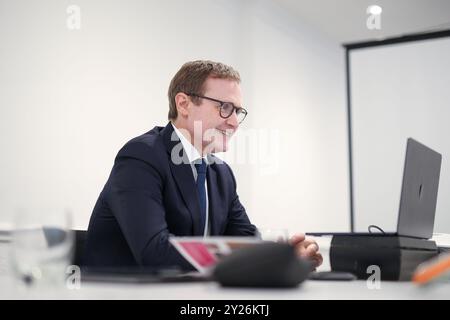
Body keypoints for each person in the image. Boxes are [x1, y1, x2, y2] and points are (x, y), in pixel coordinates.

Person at [83, 60, 323, 270]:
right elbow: (154, 252)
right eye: (225, 107)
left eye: (237, 111)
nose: (234, 122)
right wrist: (249, 258)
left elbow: (246, 240)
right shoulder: (141, 156)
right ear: (184, 104)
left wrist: (283, 256)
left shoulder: (221, 174)